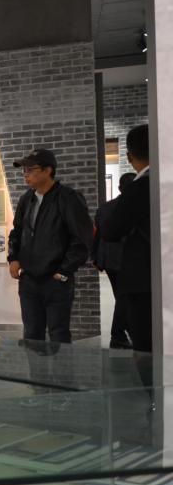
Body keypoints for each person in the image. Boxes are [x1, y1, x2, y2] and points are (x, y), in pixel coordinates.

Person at [7, 149, 93, 343]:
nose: (25, 174)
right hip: (29, 280)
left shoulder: (68, 198)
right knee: (31, 336)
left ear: (48, 170)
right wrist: (13, 258)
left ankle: (61, 367)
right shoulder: (26, 199)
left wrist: (63, 272)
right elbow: (17, 231)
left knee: (59, 336)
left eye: (31, 169)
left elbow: (82, 239)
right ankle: (35, 366)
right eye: (24, 170)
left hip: (56, 281)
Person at [103, 125, 151, 353]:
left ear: (130, 156)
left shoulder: (138, 189)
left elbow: (111, 231)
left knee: (146, 347)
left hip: (142, 278)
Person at [93, 172, 136, 349]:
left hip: (109, 259)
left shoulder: (104, 207)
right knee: (125, 298)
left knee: (122, 297)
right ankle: (118, 335)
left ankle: (126, 332)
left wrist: (96, 257)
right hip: (126, 260)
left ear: (119, 187)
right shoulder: (134, 206)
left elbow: (97, 235)